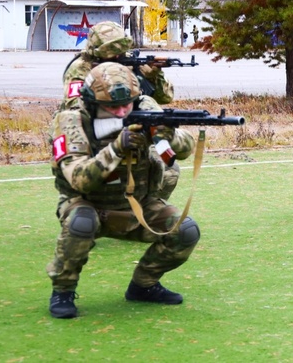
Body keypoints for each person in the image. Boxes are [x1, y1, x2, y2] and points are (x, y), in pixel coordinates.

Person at [45, 63, 199, 319]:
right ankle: (63, 289)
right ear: (92, 102)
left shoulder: (145, 107)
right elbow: (79, 180)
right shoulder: (71, 120)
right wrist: (116, 148)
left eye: (126, 104)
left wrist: (167, 136)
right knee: (80, 223)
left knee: (185, 231)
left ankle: (144, 285)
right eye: (112, 107)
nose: (121, 111)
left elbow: (184, 149)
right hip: (87, 204)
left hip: (136, 204)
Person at [62, 21, 183, 199]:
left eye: (120, 52)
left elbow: (165, 97)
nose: (118, 57)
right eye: (112, 54)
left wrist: (152, 75)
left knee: (169, 170)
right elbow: (76, 109)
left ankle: (150, 210)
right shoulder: (81, 69)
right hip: (95, 138)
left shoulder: (128, 62)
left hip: (133, 131)